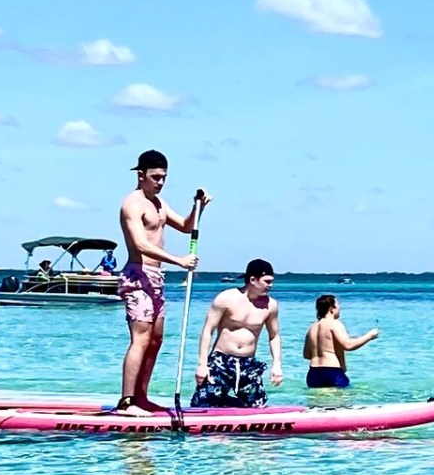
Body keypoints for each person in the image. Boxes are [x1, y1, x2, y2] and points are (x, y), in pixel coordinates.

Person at [115, 149, 207, 414]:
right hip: (137, 276)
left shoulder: (159, 203)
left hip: (156, 278)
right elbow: (140, 244)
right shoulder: (132, 204)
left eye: (164, 177)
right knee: (140, 339)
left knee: (156, 340)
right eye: (155, 177)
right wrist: (178, 260)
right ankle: (127, 402)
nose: (160, 182)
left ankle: (141, 397)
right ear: (141, 175)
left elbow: (187, 226)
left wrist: (198, 206)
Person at [193, 259, 283, 407]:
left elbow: (274, 336)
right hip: (221, 361)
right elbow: (208, 330)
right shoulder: (226, 298)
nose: (270, 285)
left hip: (248, 363)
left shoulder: (271, 305)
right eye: (267, 281)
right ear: (253, 280)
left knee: (257, 407)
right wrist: (202, 364)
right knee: (204, 404)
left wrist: (277, 365)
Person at [303, 293, 379, 389]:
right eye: (338, 305)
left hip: (313, 373)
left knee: (316, 402)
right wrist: (369, 336)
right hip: (332, 372)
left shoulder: (312, 327)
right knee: (341, 402)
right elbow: (348, 345)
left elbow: (306, 355)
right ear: (331, 308)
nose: (340, 308)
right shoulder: (335, 324)